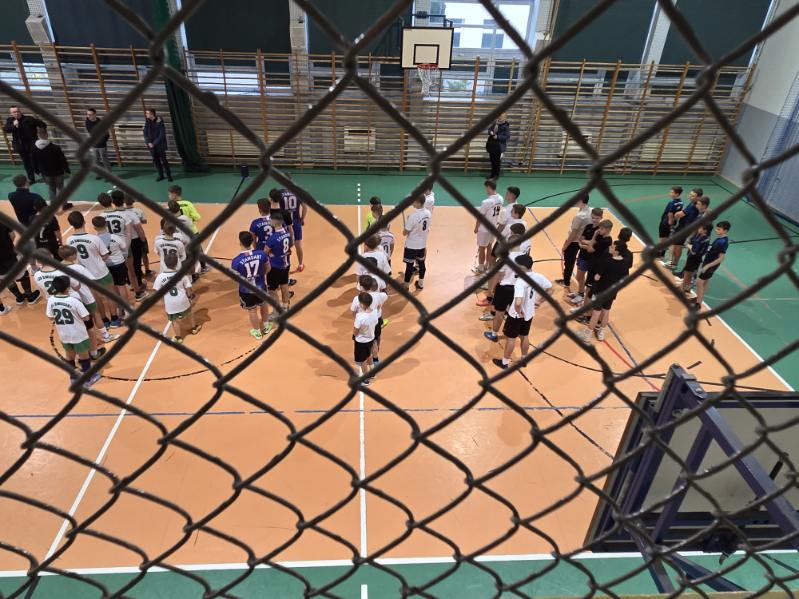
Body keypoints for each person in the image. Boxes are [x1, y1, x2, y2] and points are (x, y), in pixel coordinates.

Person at [33, 249, 106, 360]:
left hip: (54, 304)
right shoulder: (62, 271)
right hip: (72, 301)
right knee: (88, 327)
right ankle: (93, 353)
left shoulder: (37, 275)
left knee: (68, 329)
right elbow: (77, 286)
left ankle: (76, 356)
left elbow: (42, 292)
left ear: (38, 261)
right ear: (51, 256)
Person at [492, 254, 551, 369]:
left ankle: (504, 362)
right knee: (524, 336)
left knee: (511, 338)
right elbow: (550, 288)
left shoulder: (520, 282)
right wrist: (540, 302)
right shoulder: (538, 276)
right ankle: (524, 360)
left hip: (516, 315)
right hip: (529, 313)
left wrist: (519, 312)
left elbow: (518, 302)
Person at [66, 210, 121, 328]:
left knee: (96, 298)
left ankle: (104, 320)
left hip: (85, 274)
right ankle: (115, 319)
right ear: (84, 221)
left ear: (71, 224)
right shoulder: (94, 238)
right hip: (101, 272)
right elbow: (105, 255)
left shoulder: (69, 240)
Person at [45, 276, 101, 387]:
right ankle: (88, 379)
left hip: (64, 334)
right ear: (68, 288)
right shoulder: (74, 301)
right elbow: (86, 317)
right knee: (84, 356)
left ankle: (73, 378)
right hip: (78, 334)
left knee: (69, 356)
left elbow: (50, 317)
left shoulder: (51, 300)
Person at [58, 245, 119, 343]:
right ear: (71, 256)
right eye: (75, 254)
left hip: (71, 298)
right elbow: (92, 281)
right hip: (86, 296)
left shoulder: (58, 268)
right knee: (96, 315)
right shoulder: (78, 267)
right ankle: (105, 335)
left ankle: (91, 340)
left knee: (81, 320)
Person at [577, 240, 629, 343]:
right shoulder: (625, 263)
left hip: (601, 291)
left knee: (596, 313)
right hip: (612, 291)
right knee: (606, 311)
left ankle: (587, 334)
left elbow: (597, 277)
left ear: (617, 251)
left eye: (613, 247)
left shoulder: (607, 262)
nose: (610, 247)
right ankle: (601, 332)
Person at [482, 233, 525, 341]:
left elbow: (499, 275)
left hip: (504, 288)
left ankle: (494, 334)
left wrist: (492, 289)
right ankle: (512, 334)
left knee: (499, 313)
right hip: (519, 289)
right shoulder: (526, 257)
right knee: (514, 313)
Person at [152, 252, 201, 343]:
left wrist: (163, 301)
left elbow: (157, 291)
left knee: (174, 320)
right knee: (189, 314)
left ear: (165, 263)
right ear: (177, 262)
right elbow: (188, 289)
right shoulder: (182, 275)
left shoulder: (160, 277)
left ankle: (178, 337)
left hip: (170, 303)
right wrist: (190, 296)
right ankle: (194, 328)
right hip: (183, 300)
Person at [231, 231, 271, 339]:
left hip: (246, 290)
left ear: (240, 243)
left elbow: (235, 278)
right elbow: (268, 268)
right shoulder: (261, 254)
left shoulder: (236, 261)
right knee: (264, 304)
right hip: (261, 286)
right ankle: (266, 326)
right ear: (252, 241)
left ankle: (257, 332)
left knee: (252, 310)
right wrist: (259, 276)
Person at [111, 190, 148, 300]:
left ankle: (128, 282)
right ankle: (138, 284)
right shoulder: (131, 214)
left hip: (117, 243)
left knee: (124, 264)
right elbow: (139, 229)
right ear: (123, 200)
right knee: (135, 264)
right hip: (133, 241)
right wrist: (143, 241)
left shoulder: (111, 214)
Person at [0, 220, 41, 314]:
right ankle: (30, 296)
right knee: (23, 274)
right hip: (10, 255)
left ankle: (19, 297)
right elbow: (12, 235)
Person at [567, 208, 604, 305]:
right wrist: (587, 243)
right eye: (593, 217)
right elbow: (581, 239)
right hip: (582, 254)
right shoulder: (588, 226)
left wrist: (585, 243)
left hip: (590, 257)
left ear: (601, 218)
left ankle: (581, 295)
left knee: (582, 277)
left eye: (597, 218)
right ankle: (580, 292)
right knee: (579, 276)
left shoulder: (600, 231)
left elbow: (595, 244)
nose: (594, 220)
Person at [93, 216, 132, 305]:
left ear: (94, 227)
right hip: (119, 264)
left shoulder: (95, 240)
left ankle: (118, 307)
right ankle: (126, 308)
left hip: (106, 266)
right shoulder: (115, 237)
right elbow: (124, 248)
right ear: (106, 224)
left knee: (112, 288)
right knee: (122, 287)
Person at [555, 194, 591, 288]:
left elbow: (573, 233)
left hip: (574, 242)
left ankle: (566, 282)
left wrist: (565, 246)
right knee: (575, 261)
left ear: (581, 200)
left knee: (569, 262)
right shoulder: (589, 211)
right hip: (583, 240)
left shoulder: (579, 216)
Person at [351, 275, 387, 367]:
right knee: (374, 340)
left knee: (362, 344)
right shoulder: (379, 295)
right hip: (376, 319)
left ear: (361, 287)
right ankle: (375, 360)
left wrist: (357, 320)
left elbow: (353, 312)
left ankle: (363, 363)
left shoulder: (357, 299)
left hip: (362, 323)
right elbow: (382, 300)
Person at [693, 221, 730, 308]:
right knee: (705, 282)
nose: (716, 230)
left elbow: (721, 258)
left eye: (719, 229)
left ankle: (698, 304)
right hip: (708, 263)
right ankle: (698, 299)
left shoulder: (722, 242)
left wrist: (707, 266)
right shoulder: (720, 239)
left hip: (710, 265)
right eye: (716, 228)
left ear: (725, 231)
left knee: (699, 282)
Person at [663, 187, 703, 269]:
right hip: (683, 227)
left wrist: (676, 214)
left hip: (684, 229)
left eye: (693, 196)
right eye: (690, 194)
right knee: (677, 246)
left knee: (674, 245)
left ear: (698, 197)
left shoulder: (693, 206)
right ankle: (673, 263)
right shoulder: (692, 204)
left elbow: (679, 214)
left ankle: (671, 263)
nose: (690, 196)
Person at [4, 106, 45, 184]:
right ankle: (31, 179)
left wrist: (42, 134)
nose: (16, 113)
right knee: (26, 163)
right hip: (21, 146)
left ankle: (44, 175)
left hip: (32, 145)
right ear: (11, 113)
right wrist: (14, 125)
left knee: (36, 161)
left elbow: (42, 124)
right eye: (14, 112)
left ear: (20, 111)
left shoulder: (29, 119)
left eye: (17, 111)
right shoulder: (10, 120)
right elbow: (6, 129)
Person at [32, 127, 71, 203]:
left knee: (51, 188)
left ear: (38, 135)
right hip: (58, 172)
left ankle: (52, 204)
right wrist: (67, 170)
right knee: (61, 187)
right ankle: (64, 204)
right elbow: (62, 160)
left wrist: (36, 171)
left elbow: (33, 160)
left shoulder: (34, 148)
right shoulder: (55, 147)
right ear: (47, 134)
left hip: (46, 173)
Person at [264, 211, 293, 313]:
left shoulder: (272, 238)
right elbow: (289, 246)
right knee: (284, 286)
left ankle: (277, 311)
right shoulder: (287, 233)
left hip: (275, 267)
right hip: (286, 264)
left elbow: (265, 253)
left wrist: (271, 254)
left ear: (274, 222)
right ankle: (285, 307)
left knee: (272, 290)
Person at [402, 195, 432, 290]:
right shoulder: (428, 213)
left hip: (412, 246)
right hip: (422, 245)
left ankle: (406, 285)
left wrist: (407, 223)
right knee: (421, 264)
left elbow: (405, 232)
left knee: (409, 266)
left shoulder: (413, 216)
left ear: (418, 203)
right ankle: (421, 284)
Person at [474, 179, 503, 274]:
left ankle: (480, 267)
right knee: (489, 246)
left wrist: (476, 227)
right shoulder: (500, 198)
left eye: (486, 188)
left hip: (484, 229)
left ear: (489, 187)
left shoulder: (486, 202)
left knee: (482, 248)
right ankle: (487, 265)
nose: (485, 190)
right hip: (493, 228)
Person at [277, 186, 308, 272]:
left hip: (284, 222)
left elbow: (275, 206)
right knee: (298, 244)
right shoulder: (297, 192)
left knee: (284, 244)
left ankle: (283, 265)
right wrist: (302, 219)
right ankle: (300, 265)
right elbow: (305, 207)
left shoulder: (280, 193)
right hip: (296, 221)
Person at [678, 223, 711, 298]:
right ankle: (686, 288)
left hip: (692, 259)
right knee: (690, 275)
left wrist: (688, 245)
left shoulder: (700, 239)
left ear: (705, 230)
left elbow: (694, 251)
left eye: (700, 228)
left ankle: (682, 291)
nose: (699, 229)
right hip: (697, 260)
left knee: (687, 275)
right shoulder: (706, 238)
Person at [352, 291, 379, 385]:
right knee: (369, 355)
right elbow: (375, 323)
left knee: (362, 360)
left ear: (362, 304)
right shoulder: (375, 312)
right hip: (371, 338)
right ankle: (373, 372)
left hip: (361, 341)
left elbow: (356, 330)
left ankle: (365, 379)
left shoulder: (360, 317)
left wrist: (354, 335)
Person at [124, 193, 153, 277]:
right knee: (144, 254)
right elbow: (144, 221)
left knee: (131, 257)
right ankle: (147, 270)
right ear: (133, 201)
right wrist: (137, 221)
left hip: (127, 238)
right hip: (139, 236)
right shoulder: (139, 210)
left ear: (124, 201)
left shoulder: (122, 212)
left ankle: (135, 272)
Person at [143, 108, 172, 182]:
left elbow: (161, 135)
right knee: (156, 161)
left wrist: (154, 143)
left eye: (147, 113)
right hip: (151, 146)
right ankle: (161, 175)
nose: (146, 114)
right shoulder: (147, 122)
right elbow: (145, 133)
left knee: (164, 161)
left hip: (160, 145)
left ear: (152, 114)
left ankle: (169, 175)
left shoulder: (159, 121)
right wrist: (148, 142)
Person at [657, 186, 683, 259]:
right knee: (666, 239)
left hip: (665, 223)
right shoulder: (681, 202)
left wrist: (670, 221)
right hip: (671, 223)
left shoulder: (672, 202)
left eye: (672, 192)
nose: (670, 193)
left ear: (677, 194)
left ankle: (659, 255)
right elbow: (677, 214)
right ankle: (662, 255)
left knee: (662, 239)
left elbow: (670, 213)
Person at [84, 108, 111, 177]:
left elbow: (107, 134)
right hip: (94, 144)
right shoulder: (87, 122)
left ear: (95, 114)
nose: (89, 116)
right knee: (96, 160)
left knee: (104, 160)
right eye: (88, 114)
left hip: (102, 145)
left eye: (91, 114)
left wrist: (102, 142)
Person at [486, 112, 510, 179]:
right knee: (492, 160)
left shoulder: (506, 127)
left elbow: (507, 137)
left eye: (501, 116)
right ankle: (492, 174)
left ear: (505, 118)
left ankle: (496, 175)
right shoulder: (495, 123)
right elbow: (489, 130)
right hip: (492, 145)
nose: (500, 117)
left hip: (499, 146)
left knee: (497, 162)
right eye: (499, 116)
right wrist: (490, 132)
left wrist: (498, 137)